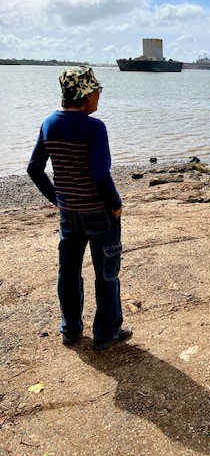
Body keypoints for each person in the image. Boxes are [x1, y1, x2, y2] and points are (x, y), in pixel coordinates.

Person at [27, 66, 132, 351]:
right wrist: (116, 204)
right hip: (99, 213)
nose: (99, 96)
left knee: (69, 272)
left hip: (69, 215)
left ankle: (70, 330)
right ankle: (106, 333)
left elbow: (34, 168)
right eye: (97, 91)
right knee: (106, 273)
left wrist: (58, 198)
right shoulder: (94, 127)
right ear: (85, 94)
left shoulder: (49, 123)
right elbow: (100, 174)